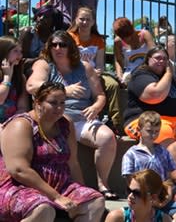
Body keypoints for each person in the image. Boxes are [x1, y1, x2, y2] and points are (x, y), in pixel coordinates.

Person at [26, 30, 118, 200]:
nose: (58, 48)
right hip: (54, 120)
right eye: (54, 44)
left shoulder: (85, 67)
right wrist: (64, 90)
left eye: (63, 44)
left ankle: (103, 184)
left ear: (71, 47)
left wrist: (96, 107)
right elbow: (32, 86)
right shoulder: (44, 65)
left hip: (82, 119)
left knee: (107, 138)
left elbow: (100, 96)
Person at [0, 81, 105, 221]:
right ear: (38, 103)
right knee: (43, 210)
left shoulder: (65, 124)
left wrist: (82, 191)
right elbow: (18, 170)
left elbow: (72, 163)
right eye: (53, 103)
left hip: (60, 186)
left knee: (95, 202)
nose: (59, 107)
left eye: (62, 102)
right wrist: (56, 197)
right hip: (19, 187)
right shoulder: (21, 125)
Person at [123, 46, 176, 147]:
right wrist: (169, 72)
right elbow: (155, 96)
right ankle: (174, 161)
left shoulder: (170, 78)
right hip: (145, 119)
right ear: (148, 59)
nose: (161, 61)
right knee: (164, 131)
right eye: (158, 58)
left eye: (165, 59)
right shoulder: (140, 75)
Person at [67, 6, 123, 133]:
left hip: (94, 74)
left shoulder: (98, 41)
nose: (85, 22)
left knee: (112, 85)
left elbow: (99, 63)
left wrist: (98, 71)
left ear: (93, 22)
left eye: (88, 20)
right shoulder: (69, 37)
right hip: (75, 73)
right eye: (82, 19)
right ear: (76, 20)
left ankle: (115, 123)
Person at [121, 111, 176, 217]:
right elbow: (130, 181)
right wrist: (147, 199)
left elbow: (169, 179)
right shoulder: (131, 154)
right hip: (140, 198)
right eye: (149, 131)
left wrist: (168, 196)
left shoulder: (163, 151)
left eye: (157, 131)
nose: (153, 135)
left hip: (162, 198)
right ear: (139, 129)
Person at [105, 169, 172, 222]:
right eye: (129, 190)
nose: (130, 196)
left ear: (153, 197)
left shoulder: (164, 219)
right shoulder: (116, 218)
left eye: (137, 193)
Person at [112, 17, 156, 85]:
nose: (128, 39)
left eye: (130, 35)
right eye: (123, 37)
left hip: (148, 69)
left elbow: (154, 54)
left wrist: (140, 70)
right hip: (129, 73)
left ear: (133, 29)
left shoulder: (145, 34)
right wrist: (119, 75)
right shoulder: (118, 41)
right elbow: (118, 60)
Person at [0, 36, 28, 123]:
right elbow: (1, 99)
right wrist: (7, 76)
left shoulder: (20, 77)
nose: (20, 55)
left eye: (21, 51)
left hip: (10, 123)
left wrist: (11, 124)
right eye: (15, 51)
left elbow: (23, 107)